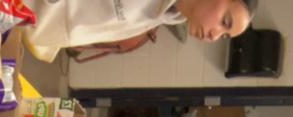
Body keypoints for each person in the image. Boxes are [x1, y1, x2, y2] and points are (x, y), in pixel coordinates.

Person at [26, 0, 258, 64]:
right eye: (225, 21)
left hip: (27, 23)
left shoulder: (170, 14)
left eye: (224, 36)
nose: (214, 36)